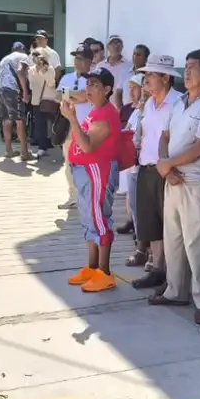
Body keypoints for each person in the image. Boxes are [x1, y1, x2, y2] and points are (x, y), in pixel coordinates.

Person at [148, 50, 200, 325]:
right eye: (186, 66)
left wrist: (168, 164)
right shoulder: (181, 103)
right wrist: (165, 165)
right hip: (175, 181)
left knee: (199, 245)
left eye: (194, 67)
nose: (187, 71)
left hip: (198, 184)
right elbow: (165, 136)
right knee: (173, 241)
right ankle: (175, 291)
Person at [63, 67, 123, 294]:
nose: (88, 89)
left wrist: (71, 118)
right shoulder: (95, 110)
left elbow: (88, 145)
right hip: (87, 172)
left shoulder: (105, 113)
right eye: (87, 84)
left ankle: (104, 272)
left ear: (107, 89)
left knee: (99, 219)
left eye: (94, 84)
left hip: (98, 171)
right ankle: (93, 266)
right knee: (89, 218)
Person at [128, 56, 184, 289]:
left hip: (169, 170)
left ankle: (174, 276)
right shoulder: (148, 104)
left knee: (171, 225)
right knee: (150, 223)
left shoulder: (180, 103)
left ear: (165, 77)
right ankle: (158, 269)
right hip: (146, 167)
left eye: (151, 75)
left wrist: (170, 167)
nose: (146, 79)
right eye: (146, 74)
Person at [57, 44, 93, 210]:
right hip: (69, 126)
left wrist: (69, 94)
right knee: (69, 162)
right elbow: (58, 96)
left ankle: (86, 196)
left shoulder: (93, 79)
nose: (77, 62)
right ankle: (73, 195)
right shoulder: (67, 77)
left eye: (81, 58)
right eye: (76, 58)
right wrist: (74, 95)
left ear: (89, 60)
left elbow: (86, 97)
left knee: (86, 163)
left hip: (88, 127)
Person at [117, 73, 146, 236]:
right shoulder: (132, 110)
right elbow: (127, 129)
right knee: (130, 194)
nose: (131, 91)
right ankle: (134, 223)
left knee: (139, 197)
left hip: (142, 159)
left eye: (135, 87)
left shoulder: (145, 109)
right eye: (130, 88)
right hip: (130, 157)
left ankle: (140, 231)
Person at [0, 41, 33, 160]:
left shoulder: (5, 59)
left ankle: (8, 150)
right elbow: (21, 71)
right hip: (11, 89)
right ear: (23, 49)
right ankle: (24, 153)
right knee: (19, 119)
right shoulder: (24, 57)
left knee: (7, 119)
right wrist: (25, 92)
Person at [27, 47, 59, 155]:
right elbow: (31, 85)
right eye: (34, 56)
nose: (36, 58)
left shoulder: (50, 69)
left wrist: (44, 71)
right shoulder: (31, 70)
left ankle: (57, 142)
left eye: (38, 56)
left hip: (49, 99)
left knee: (54, 123)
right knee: (40, 125)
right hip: (37, 100)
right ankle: (42, 147)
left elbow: (51, 84)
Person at [99, 35, 135, 114]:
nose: (116, 45)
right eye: (113, 43)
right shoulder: (100, 66)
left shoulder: (129, 66)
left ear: (122, 47)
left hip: (121, 108)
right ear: (108, 47)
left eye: (119, 43)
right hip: (103, 106)